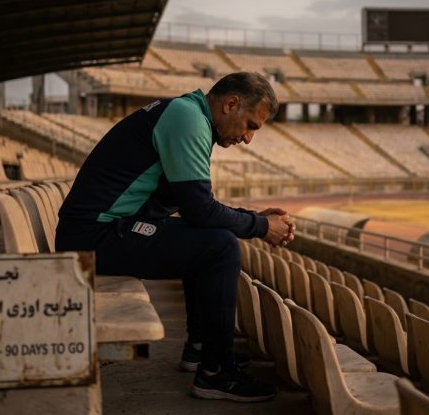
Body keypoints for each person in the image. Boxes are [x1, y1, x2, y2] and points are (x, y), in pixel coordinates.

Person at [55, 72, 295, 402]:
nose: (248, 138)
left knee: (208, 238)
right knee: (220, 248)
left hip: (100, 230)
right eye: (250, 125)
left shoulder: (188, 114)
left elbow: (196, 208)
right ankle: (216, 372)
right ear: (231, 104)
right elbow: (200, 210)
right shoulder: (188, 118)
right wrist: (262, 226)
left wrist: (256, 218)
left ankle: (201, 348)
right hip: (93, 236)